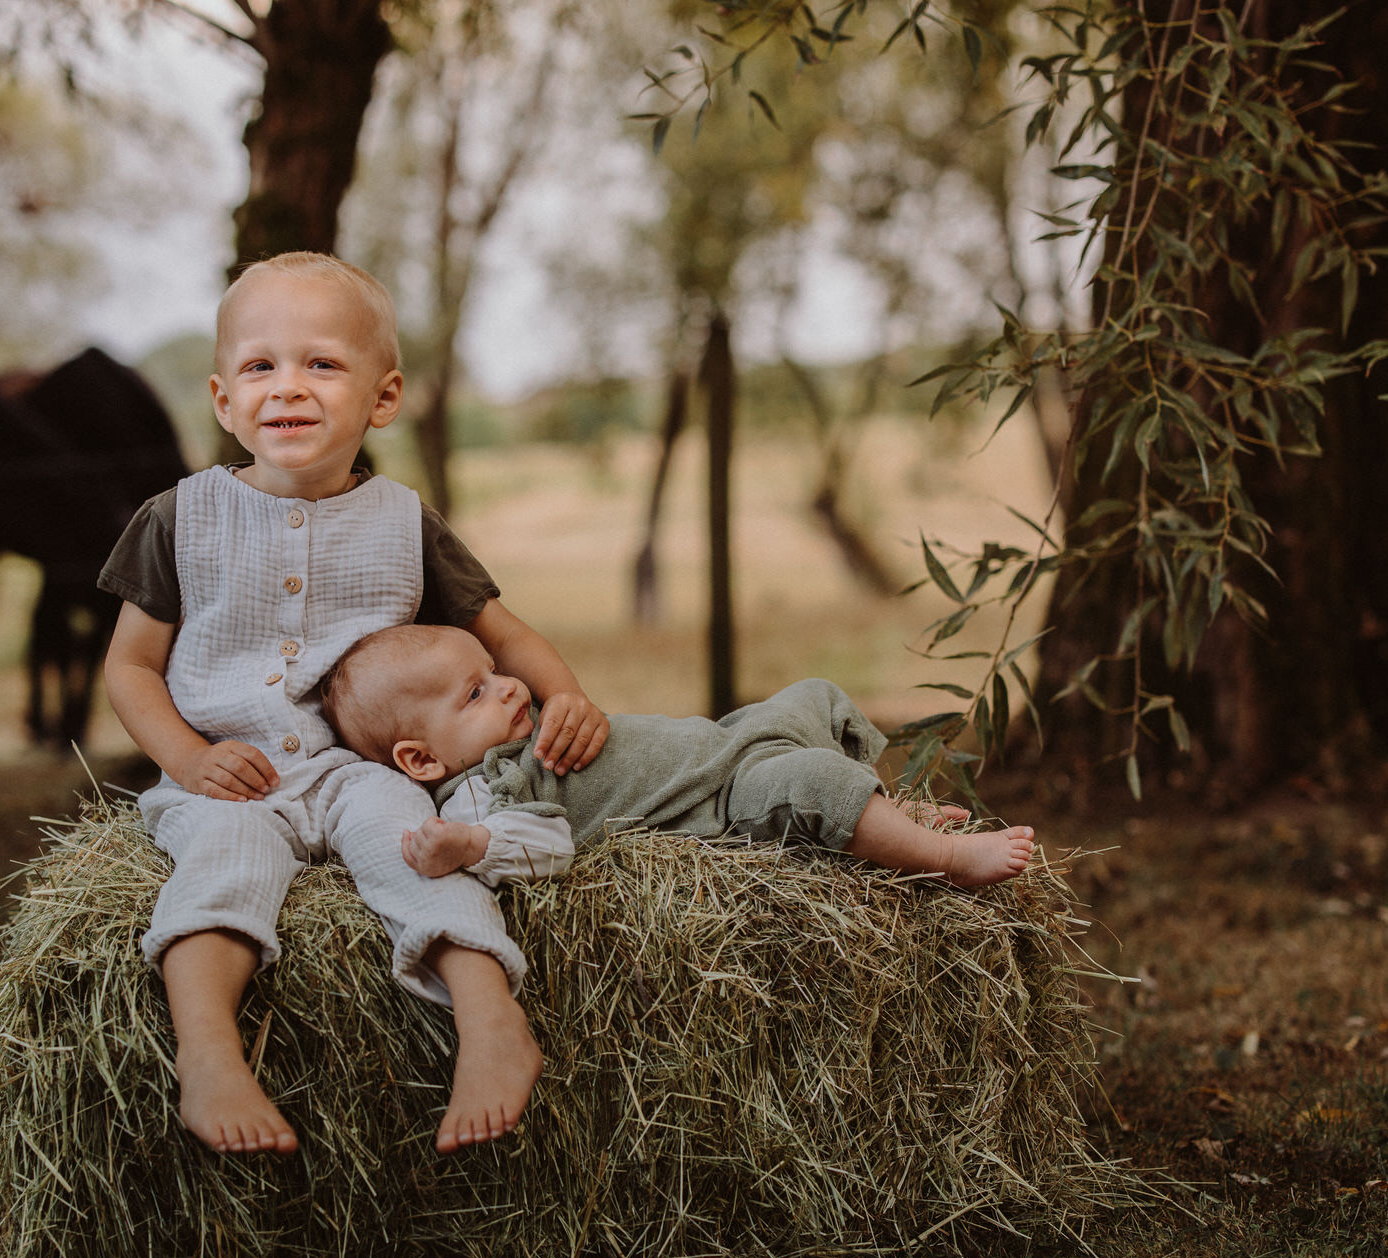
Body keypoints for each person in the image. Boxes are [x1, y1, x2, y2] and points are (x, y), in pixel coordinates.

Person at [99, 253, 609, 1158]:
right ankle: (209, 1054)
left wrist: (565, 696)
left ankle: (492, 1025)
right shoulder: (179, 518)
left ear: (382, 398)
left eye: (322, 364)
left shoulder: (405, 522)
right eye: (260, 366)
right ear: (223, 400)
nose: (287, 387)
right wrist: (187, 760)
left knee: (416, 844)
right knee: (221, 863)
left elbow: (508, 633)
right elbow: (132, 668)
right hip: (232, 774)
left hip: (354, 770)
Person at [319, 624, 1036, 890]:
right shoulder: (485, 792)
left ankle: (887, 810)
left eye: (494, 671)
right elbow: (542, 846)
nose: (510, 687)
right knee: (812, 781)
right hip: (726, 797)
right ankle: (946, 860)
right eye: (475, 693)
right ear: (419, 761)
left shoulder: (521, 728)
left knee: (815, 693)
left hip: (729, 738)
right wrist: (471, 846)